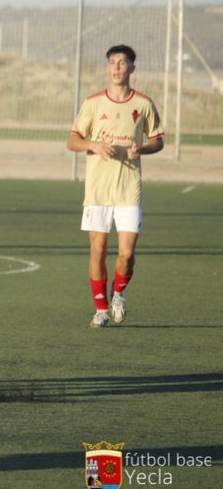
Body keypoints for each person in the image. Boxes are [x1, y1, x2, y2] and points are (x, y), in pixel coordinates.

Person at [67, 45, 164, 328]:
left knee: (126, 254)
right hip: (97, 190)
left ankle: (118, 293)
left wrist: (142, 150)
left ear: (132, 67)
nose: (117, 68)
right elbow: (72, 140)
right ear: (107, 68)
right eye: (112, 63)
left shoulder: (144, 103)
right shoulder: (93, 103)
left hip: (128, 190)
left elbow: (158, 140)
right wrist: (93, 144)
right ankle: (100, 308)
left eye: (122, 63)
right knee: (97, 251)